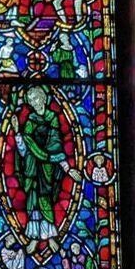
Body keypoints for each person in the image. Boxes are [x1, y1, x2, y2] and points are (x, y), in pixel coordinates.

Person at [12, 86, 81, 253]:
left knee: (46, 202)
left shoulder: (52, 118)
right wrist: (17, 132)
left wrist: (68, 169)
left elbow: (56, 147)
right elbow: (24, 150)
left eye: (36, 98)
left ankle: (50, 237)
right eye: (31, 100)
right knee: (33, 202)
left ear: (43, 98)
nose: (34, 103)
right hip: (32, 167)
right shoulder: (30, 121)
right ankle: (34, 238)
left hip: (47, 169)